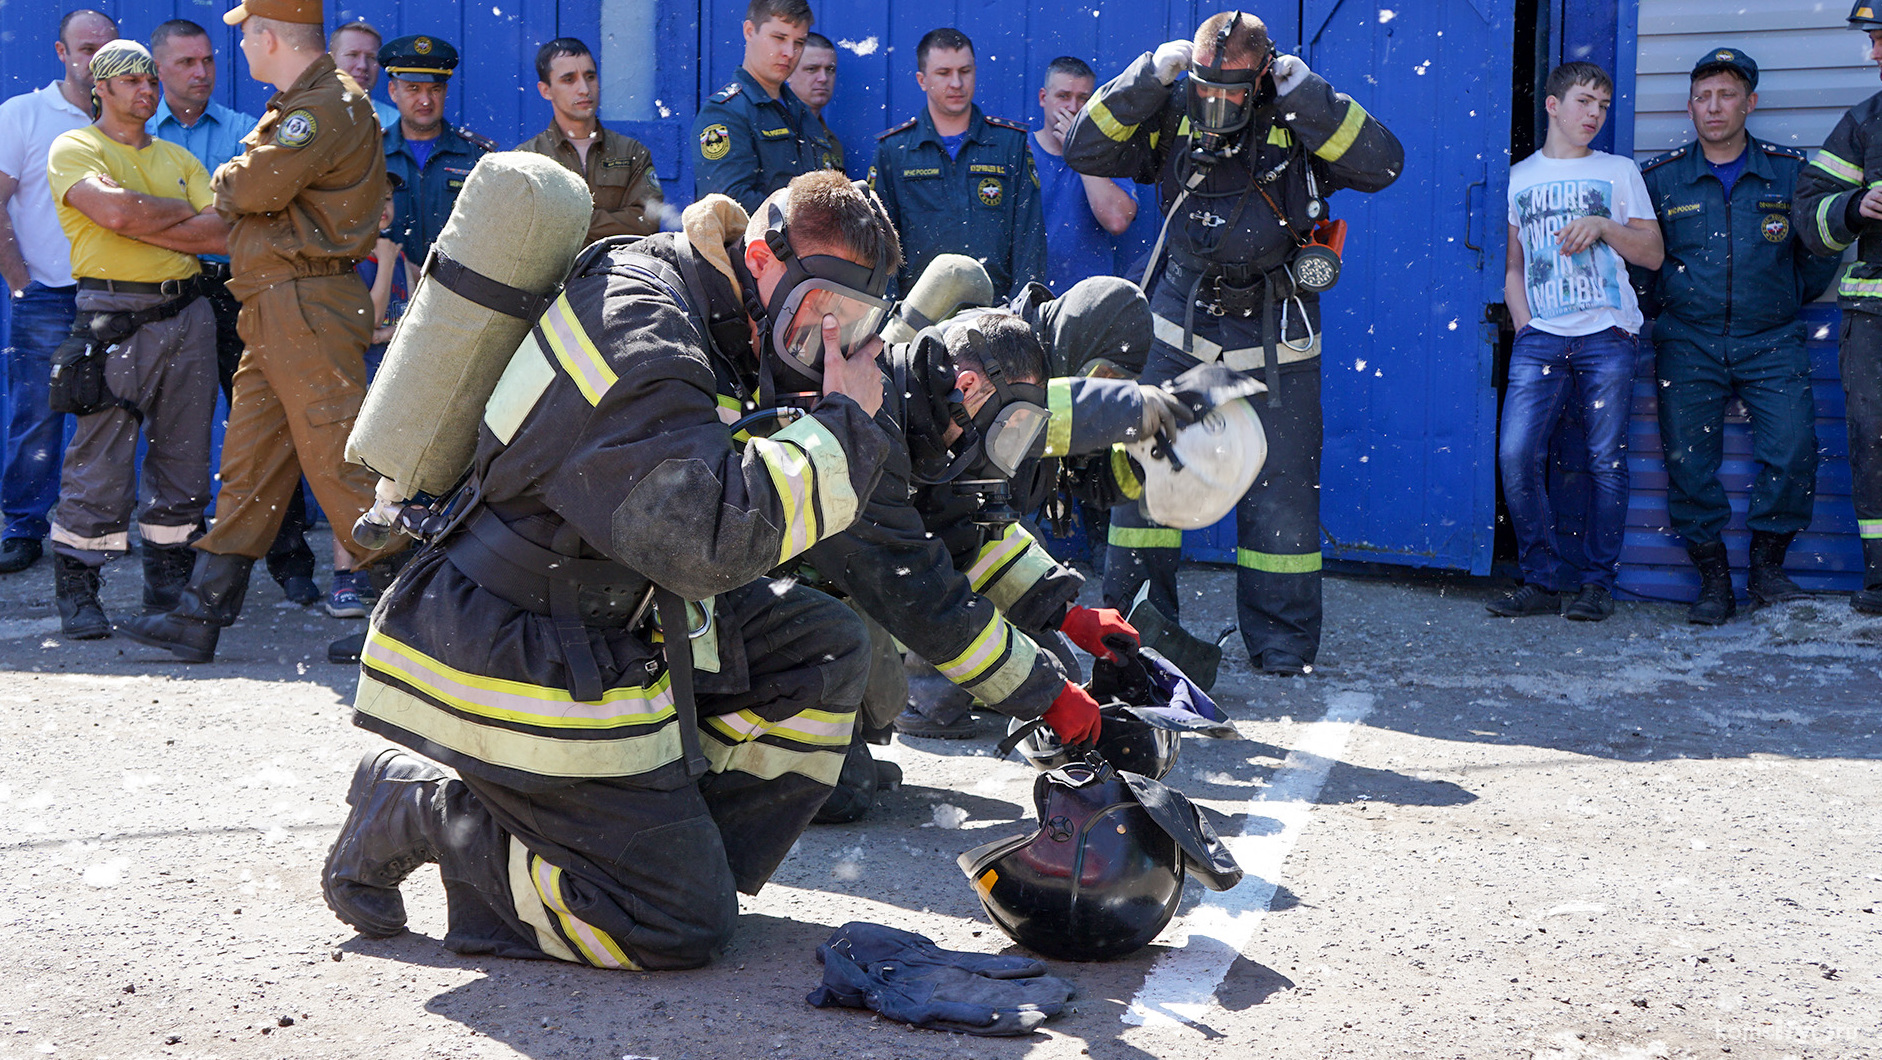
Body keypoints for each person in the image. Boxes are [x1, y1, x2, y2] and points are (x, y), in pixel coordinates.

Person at [320, 171, 900, 971]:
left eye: (855, 321)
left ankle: (667, 865)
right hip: (519, 643)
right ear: (761, 257)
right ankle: (429, 811)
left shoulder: (721, 310)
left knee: (821, 644)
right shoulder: (645, 325)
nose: (828, 338)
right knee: (674, 928)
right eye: (820, 309)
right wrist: (846, 429)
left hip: (612, 608)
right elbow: (705, 544)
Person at [1064, 12, 1402, 674]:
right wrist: (1145, 78)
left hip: (1278, 325)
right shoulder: (1172, 106)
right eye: (1206, 88)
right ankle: (1132, 631)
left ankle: (1281, 649)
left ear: (1263, 78)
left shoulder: (1295, 113)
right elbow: (1085, 149)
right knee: (1143, 475)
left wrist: (1307, 93)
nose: (1217, 104)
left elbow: (1383, 163)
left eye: (1233, 92)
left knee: (1281, 491)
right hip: (1179, 322)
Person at [122, 0, 396, 664]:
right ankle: (200, 613)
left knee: (337, 462)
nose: (238, 51)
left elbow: (253, 185)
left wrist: (218, 180)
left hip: (303, 303)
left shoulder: (322, 105)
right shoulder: (306, 98)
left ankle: (418, 614)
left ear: (270, 37)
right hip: (280, 302)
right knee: (249, 464)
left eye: (245, 38)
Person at [1637, 49, 1840, 625]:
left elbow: (1820, 249)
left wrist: (1781, 297)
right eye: (1703, 96)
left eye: (1726, 95)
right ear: (1690, 106)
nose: (1714, 107)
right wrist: (1671, 311)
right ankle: (1713, 582)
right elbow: (1643, 263)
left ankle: (1769, 570)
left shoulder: (1790, 173)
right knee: (1689, 463)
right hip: (1688, 341)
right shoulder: (1662, 178)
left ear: (1751, 102)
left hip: (1771, 338)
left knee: (1793, 448)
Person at [44, 40, 223, 639]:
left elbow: (220, 231)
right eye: (130, 81)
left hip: (188, 313)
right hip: (111, 314)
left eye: (150, 79)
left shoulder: (178, 155)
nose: (145, 89)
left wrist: (144, 214)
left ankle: (167, 584)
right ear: (101, 87)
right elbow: (114, 216)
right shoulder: (75, 147)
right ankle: (79, 589)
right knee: (99, 459)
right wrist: (173, 215)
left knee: (185, 457)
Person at [148, 17, 322, 609]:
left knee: (269, 427)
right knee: (176, 436)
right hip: (160, 298)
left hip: (233, 291)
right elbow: (219, 218)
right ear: (159, 69)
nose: (201, 73)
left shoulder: (250, 130)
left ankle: (291, 557)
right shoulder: (136, 135)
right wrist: (198, 221)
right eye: (185, 64)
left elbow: (244, 218)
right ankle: (174, 564)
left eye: (208, 62)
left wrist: (160, 218)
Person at [1490, 61, 1663, 623]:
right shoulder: (1519, 177)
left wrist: (1605, 226)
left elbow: (1653, 254)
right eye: (1585, 101)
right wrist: (1526, 324)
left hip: (1608, 335)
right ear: (1553, 105)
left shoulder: (1618, 172)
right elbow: (1514, 267)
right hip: (1541, 338)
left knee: (1604, 462)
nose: (1594, 114)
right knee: (1517, 456)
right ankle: (1541, 581)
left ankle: (1597, 584)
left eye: (1603, 106)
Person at [0, 9, 118, 577]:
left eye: (108, 47)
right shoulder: (22, 115)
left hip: (119, 295)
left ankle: (102, 528)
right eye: (86, 47)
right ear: (61, 52)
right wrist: (22, 283)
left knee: (115, 413)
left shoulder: (129, 116)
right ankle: (22, 526)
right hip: (47, 293)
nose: (96, 57)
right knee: (36, 415)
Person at [1794, 2, 1882, 615]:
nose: (1874, 54)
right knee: (1874, 445)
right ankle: (1880, 581)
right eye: (1873, 41)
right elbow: (1809, 215)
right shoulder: (1866, 123)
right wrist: (1854, 209)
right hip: (1873, 326)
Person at [871, 27, 1046, 299]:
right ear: (922, 79)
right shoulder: (894, 151)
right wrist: (890, 319)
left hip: (994, 311)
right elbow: (880, 245)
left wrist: (1024, 310)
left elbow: (1029, 238)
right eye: (943, 73)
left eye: (965, 71)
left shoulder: (1009, 145)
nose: (956, 83)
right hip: (918, 315)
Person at [692, 0, 836, 212]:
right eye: (779, 38)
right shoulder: (725, 112)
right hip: (757, 244)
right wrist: (808, 222)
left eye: (799, 43)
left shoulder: (802, 113)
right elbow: (729, 206)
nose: (790, 52)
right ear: (749, 31)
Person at [516, 37, 662, 242]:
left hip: (617, 271)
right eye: (569, 79)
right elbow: (521, 229)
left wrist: (568, 221)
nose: (584, 89)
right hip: (553, 274)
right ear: (545, 90)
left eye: (590, 76)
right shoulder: (526, 159)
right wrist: (610, 223)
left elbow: (647, 221)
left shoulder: (631, 153)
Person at [379, 33, 495, 270]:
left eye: (435, 89)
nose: (425, 100)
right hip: (390, 287)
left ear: (445, 91)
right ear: (393, 91)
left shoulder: (477, 156)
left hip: (456, 292)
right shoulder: (371, 153)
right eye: (413, 88)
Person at [1032, 56, 1136, 293]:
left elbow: (1117, 221)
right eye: (1063, 96)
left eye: (1083, 98)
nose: (1072, 107)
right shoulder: (1019, 152)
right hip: (1025, 298)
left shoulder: (1109, 156)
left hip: (1087, 303)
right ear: (1043, 98)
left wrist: (1080, 152)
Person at [329, 19, 398, 130]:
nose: (363, 66)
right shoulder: (311, 116)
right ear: (331, 60)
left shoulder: (396, 123)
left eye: (371, 57)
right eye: (352, 55)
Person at [789, 31, 842, 171]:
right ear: (788, 73)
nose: (823, 78)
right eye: (812, 69)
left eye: (830, 70)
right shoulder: (778, 131)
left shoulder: (830, 141)